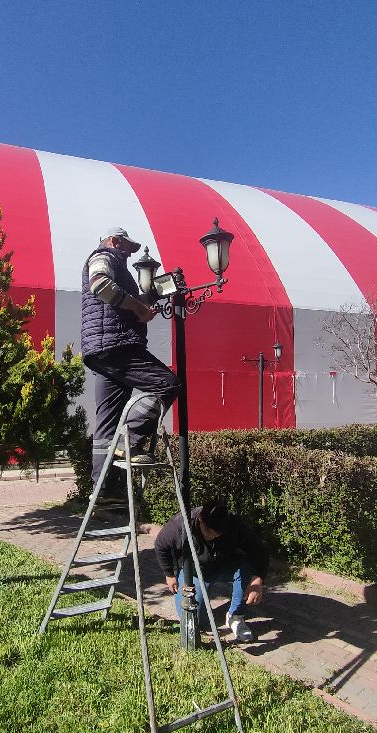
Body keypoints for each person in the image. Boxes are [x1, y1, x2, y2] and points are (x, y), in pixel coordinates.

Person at [81, 227, 181, 493]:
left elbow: (121, 299)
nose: (128, 254)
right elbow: (99, 284)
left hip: (101, 353)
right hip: (117, 345)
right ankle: (130, 439)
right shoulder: (104, 255)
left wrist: (148, 299)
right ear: (115, 241)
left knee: (107, 422)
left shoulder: (115, 264)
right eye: (127, 247)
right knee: (167, 384)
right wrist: (138, 308)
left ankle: (102, 491)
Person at [154, 500, 268, 643]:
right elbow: (160, 546)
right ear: (201, 519)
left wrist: (258, 580)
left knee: (247, 568)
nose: (214, 537)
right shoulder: (180, 525)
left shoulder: (234, 524)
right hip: (197, 571)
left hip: (225, 565)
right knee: (194, 619)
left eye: (218, 534)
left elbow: (259, 551)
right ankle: (200, 607)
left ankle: (235, 617)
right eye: (210, 533)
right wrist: (169, 574)